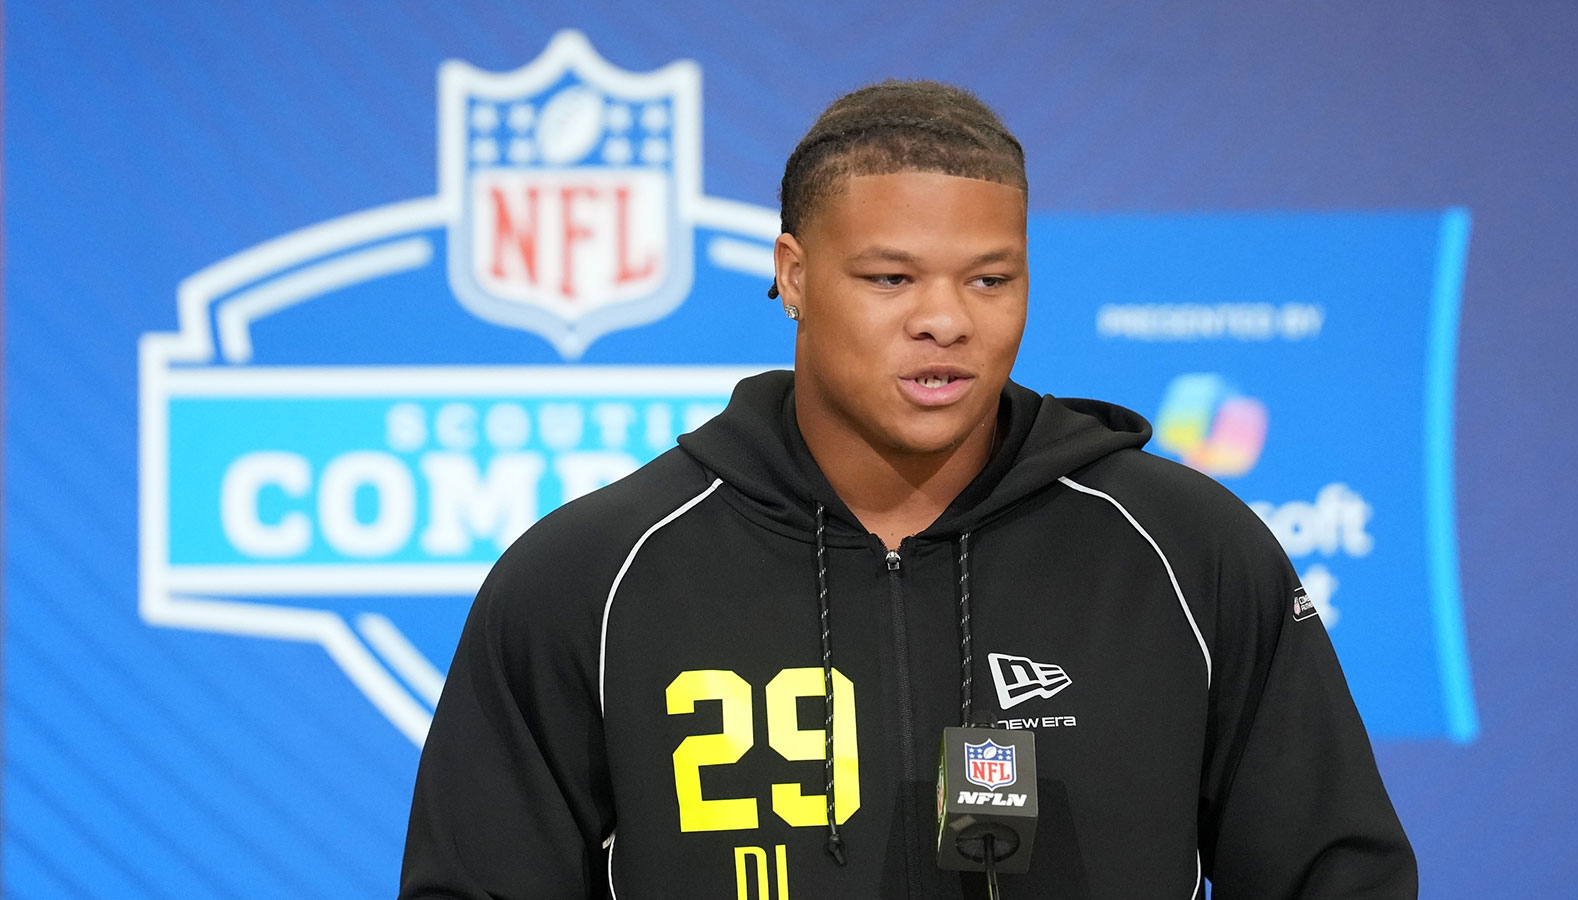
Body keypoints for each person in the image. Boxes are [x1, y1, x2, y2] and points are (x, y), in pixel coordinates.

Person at [400, 80, 1417, 899]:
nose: (946, 321)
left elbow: (1334, 872)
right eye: (890, 279)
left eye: (990, 279)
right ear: (792, 276)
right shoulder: (592, 575)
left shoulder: (1188, 551)